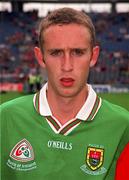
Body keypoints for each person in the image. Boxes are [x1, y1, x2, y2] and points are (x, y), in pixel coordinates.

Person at [1, 7, 129, 180]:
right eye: (56, 52)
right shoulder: (6, 117)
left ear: (93, 56)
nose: (67, 66)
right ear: (40, 57)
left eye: (78, 52)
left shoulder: (123, 126)